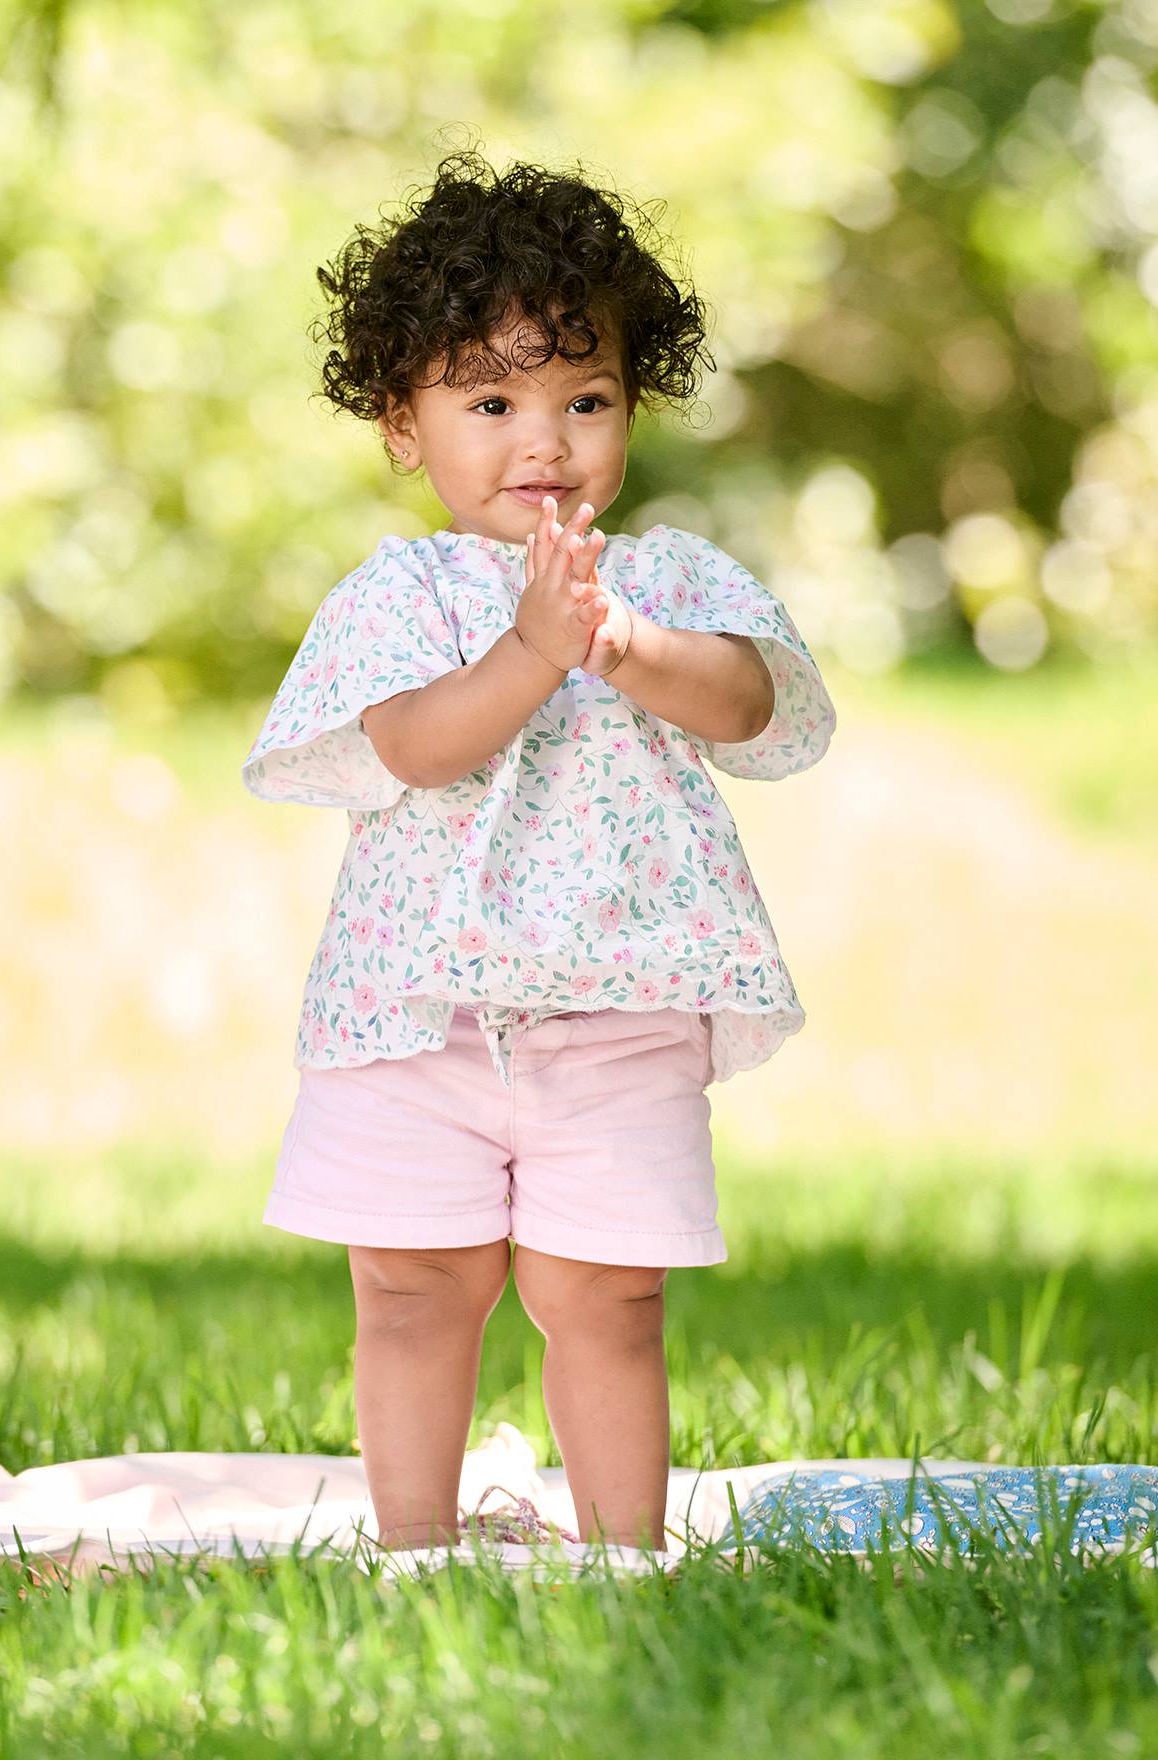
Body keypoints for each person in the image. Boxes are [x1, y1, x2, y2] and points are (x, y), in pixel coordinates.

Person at [241, 149, 837, 1557]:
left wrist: (616, 641)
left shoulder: (671, 578)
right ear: (403, 425)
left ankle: (628, 1557)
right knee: (409, 1285)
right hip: (417, 1016)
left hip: (620, 1015)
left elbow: (751, 704)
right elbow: (410, 746)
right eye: (490, 402)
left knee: (611, 1294)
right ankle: (415, 1552)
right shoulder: (400, 591)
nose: (544, 443)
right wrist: (530, 651)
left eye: (586, 401)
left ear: (633, 406)